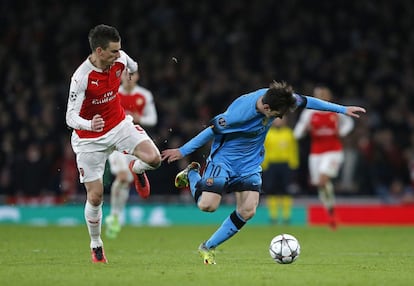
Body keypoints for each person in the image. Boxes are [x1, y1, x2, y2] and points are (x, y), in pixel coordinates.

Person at [161, 81, 366, 264]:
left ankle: (207, 247)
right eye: (276, 115)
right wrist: (182, 151)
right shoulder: (239, 114)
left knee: (248, 210)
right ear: (266, 108)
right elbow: (210, 131)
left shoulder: (278, 97)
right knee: (207, 206)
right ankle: (192, 174)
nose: (279, 118)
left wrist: (341, 109)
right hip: (225, 160)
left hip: (250, 163)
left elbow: (308, 101)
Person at [65, 24, 161, 263]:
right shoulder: (81, 77)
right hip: (90, 140)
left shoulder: (120, 59)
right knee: (96, 196)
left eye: (119, 50)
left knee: (154, 159)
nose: (119, 55)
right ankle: (96, 244)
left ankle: (136, 169)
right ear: (99, 51)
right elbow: (69, 117)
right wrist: (89, 125)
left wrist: (131, 70)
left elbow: (132, 63)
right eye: (113, 51)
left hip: (119, 125)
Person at [105, 70, 158, 239]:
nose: (129, 78)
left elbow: (153, 119)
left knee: (150, 164)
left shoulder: (144, 95)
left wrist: (138, 117)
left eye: (132, 74)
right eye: (125, 74)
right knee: (122, 177)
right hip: (116, 142)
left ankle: (137, 170)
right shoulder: (113, 94)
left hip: (136, 140)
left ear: (138, 76)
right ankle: (115, 216)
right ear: (119, 76)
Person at [293, 86, 354, 230]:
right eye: (317, 95)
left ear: (328, 96)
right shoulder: (309, 113)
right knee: (320, 185)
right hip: (316, 153)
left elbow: (349, 123)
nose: (319, 97)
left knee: (322, 179)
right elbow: (298, 131)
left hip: (333, 151)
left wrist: (342, 131)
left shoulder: (335, 110)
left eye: (322, 94)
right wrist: (302, 132)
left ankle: (331, 211)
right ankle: (330, 211)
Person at [262, 116, 299, 224]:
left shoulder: (289, 133)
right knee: (271, 190)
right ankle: (273, 216)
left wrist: (294, 164)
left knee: (286, 190)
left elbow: (294, 149)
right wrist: (264, 164)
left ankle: (286, 216)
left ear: (285, 121)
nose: (278, 121)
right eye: (276, 119)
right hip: (271, 164)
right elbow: (263, 149)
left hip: (286, 164)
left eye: (281, 119)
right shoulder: (267, 134)